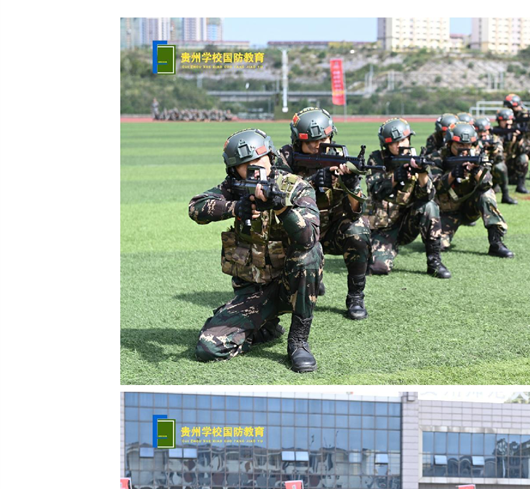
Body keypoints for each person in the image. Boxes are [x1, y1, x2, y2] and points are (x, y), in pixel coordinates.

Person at [188, 128, 323, 372]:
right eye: (245, 164)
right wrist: (234, 208)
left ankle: (298, 341)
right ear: (234, 170)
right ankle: (264, 328)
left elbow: (308, 237)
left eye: (259, 159)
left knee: (309, 254)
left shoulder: (295, 187)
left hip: (290, 285)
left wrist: (283, 209)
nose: (255, 168)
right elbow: (195, 208)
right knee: (209, 348)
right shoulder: (233, 187)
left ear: (270, 156)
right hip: (254, 291)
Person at [277, 107, 371, 320]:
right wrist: (311, 182)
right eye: (310, 142)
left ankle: (356, 296)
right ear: (297, 141)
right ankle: (308, 279)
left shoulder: (339, 159)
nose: (317, 146)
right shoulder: (286, 158)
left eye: (323, 140)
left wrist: (351, 187)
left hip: (329, 231)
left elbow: (356, 212)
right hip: (295, 233)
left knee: (359, 229)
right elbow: (277, 194)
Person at [366, 118, 450, 279]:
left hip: (406, 224)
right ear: (386, 145)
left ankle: (434, 261)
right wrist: (395, 177)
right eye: (394, 142)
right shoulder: (377, 159)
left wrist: (422, 173)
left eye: (403, 140)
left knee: (429, 206)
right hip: (383, 228)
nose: (399, 145)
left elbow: (428, 195)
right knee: (378, 268)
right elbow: (375, 191)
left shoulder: (415, 159)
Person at [428, 121, 514, 258]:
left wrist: (476, 171)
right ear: (449, 143)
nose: (464, 148)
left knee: (486, 194)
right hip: (446, 211)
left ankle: (496, 242)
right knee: (438, 245)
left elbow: (487, 184)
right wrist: (452, 175)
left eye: (467, 144)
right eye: (460, 144)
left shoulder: (477, 156)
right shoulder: (436, 157)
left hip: (470, 208)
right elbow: (434, 188)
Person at [474, 116, 515, 205]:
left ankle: (505, 195)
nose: (482, 134)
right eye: (479, 132)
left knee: (501, 167)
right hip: (477, 169)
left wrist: (493, 150)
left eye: (484, 131)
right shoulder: (473, 141)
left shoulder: (494, 139)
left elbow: (500, 157)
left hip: (491, 168)